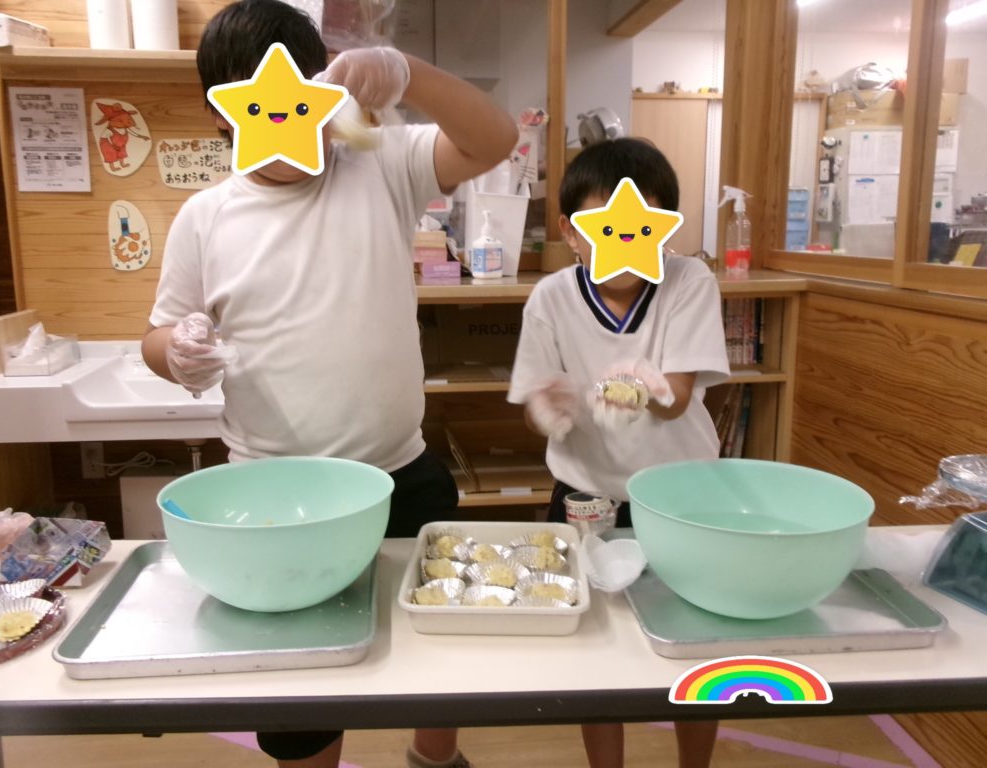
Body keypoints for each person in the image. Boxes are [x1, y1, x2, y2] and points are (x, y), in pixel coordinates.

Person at [141, 2, 517, 767]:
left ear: (329, 95)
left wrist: (408, 74)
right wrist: (174, 352)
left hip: (400, 473)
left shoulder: (380, 164)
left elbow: (495, 140)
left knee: (437, 659)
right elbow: (158, 332)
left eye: (304, 101)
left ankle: (434, 757)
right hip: (273, 501)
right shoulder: (205, 218)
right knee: (299, 694)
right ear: (223, 115)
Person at [507, 137, 727, 768]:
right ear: (571, 233)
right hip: (587, 496)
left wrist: (647, 387)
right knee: (595, 648)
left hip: (680, 498)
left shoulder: (689, 280)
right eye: (604, 226)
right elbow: (535, 400)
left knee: (694, 644)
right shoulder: (551, 298)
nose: (624, 243)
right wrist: (548, 408)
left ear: (667, 229)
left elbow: (677, 398)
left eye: (642, 226)